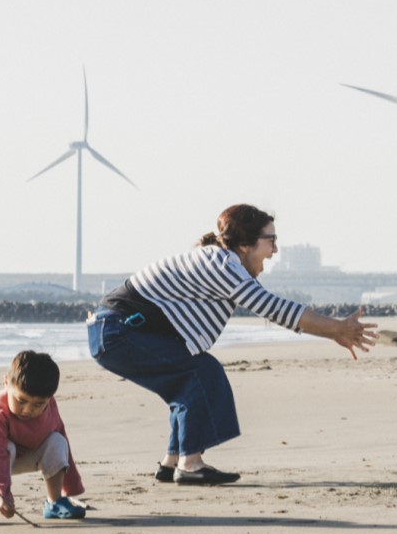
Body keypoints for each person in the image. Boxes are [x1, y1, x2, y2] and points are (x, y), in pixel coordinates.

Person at [91, 204, 377, 485]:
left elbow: (278, 311)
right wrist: (337, 328)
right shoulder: (224, 266)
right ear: (244, 244)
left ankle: (172, 462)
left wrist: (334, 333)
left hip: (113, 330)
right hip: (117, 332)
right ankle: (190, 465)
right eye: (271, 241)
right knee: (199, 373)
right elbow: (275, 308)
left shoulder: (220, 261)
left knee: (189, 377)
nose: (275, 250)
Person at [0, 350, 86, 524]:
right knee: (6, 448)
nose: (28, 410)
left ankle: (54, 502)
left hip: (22, 454)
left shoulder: (51, 407)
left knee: (57, 441)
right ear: (6, 383)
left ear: (50, 398)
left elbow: (61, 436)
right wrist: (3, 496)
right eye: (21, 401)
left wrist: (71, 485)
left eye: (38, 404)